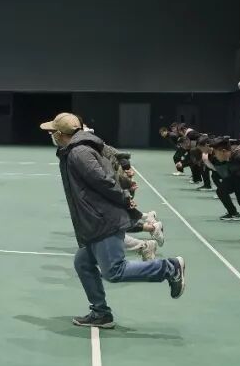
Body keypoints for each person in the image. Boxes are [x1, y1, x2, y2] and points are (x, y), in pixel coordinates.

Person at [42, 112, 186, 329]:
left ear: (61, 134)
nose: (52, 135)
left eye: (53, 132)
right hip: (95, 218)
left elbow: (104, 181)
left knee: (114, 271)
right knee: (83, 263)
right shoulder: (79, 149)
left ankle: (169, 268)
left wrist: (125, 200)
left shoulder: (79, 153)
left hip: (102, 218)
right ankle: (100, 313)